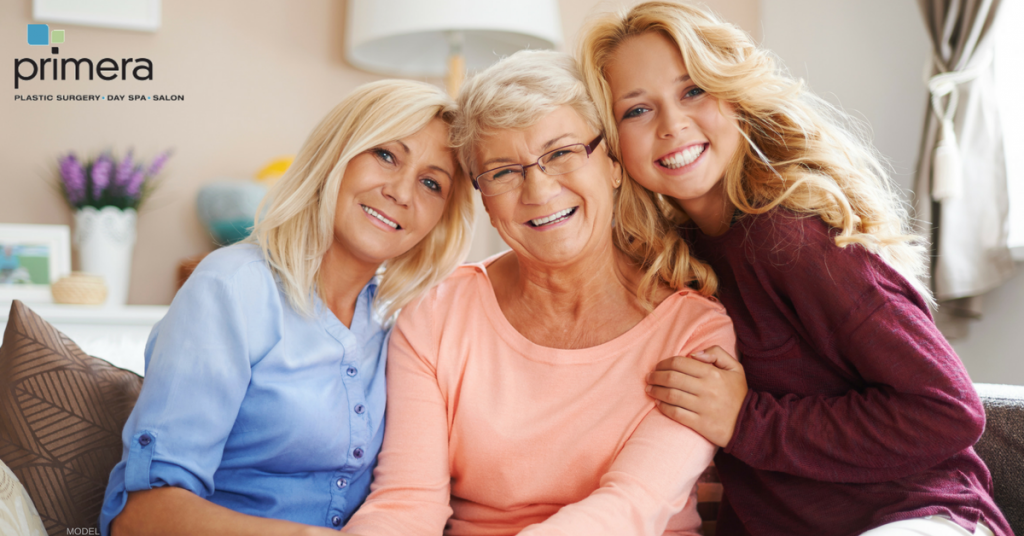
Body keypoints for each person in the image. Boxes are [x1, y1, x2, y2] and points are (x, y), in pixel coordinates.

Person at [578, 3, 1013, 536]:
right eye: (637, 110)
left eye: (693, 90)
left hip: (914, 514)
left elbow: (949, 409)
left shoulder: (791, 237)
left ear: (734, 94)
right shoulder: (676, 259)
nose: (673, 125)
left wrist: (746, 420)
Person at [340, 50, 735, 536]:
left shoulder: (695, 330)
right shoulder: (435, 313)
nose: (539, 189)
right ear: (484, 199)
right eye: (504, 171)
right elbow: (406, 503)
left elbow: (630, 508)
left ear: (612, 165)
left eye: (562, 153)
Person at [100, 79, 475, 536]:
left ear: (441, 217)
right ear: (336, 153)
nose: (401, 191)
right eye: (386, 155)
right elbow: (139, 518)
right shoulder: (233, 288)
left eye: (431, 183)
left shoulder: (403, 324)